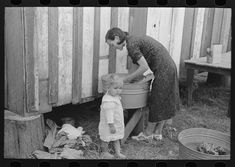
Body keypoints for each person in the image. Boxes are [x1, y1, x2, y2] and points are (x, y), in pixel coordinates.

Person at [105, 27, 180, 141]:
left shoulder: (131, 44)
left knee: (157, 99)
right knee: (164, 99)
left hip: (164, 68)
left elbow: (144, 67)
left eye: (112, 44)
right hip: (168, 66)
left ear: (116, 38)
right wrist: (137, 78)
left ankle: (148, 134)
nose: (113, 47)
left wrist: (125, 80)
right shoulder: (132, 40)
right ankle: (157, 133)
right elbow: (144, 66)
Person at [98, 74, 126, 158]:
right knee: (106, 138)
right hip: (109, 124)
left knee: (116, 138)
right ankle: (104, 152)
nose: (118, 91)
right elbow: (109, 114)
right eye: (115, 88)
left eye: (120, 88)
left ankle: (117, 152)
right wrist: (111, 125)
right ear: (107, 88)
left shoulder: (115, 96)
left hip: (116, 123)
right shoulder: (108, 101)